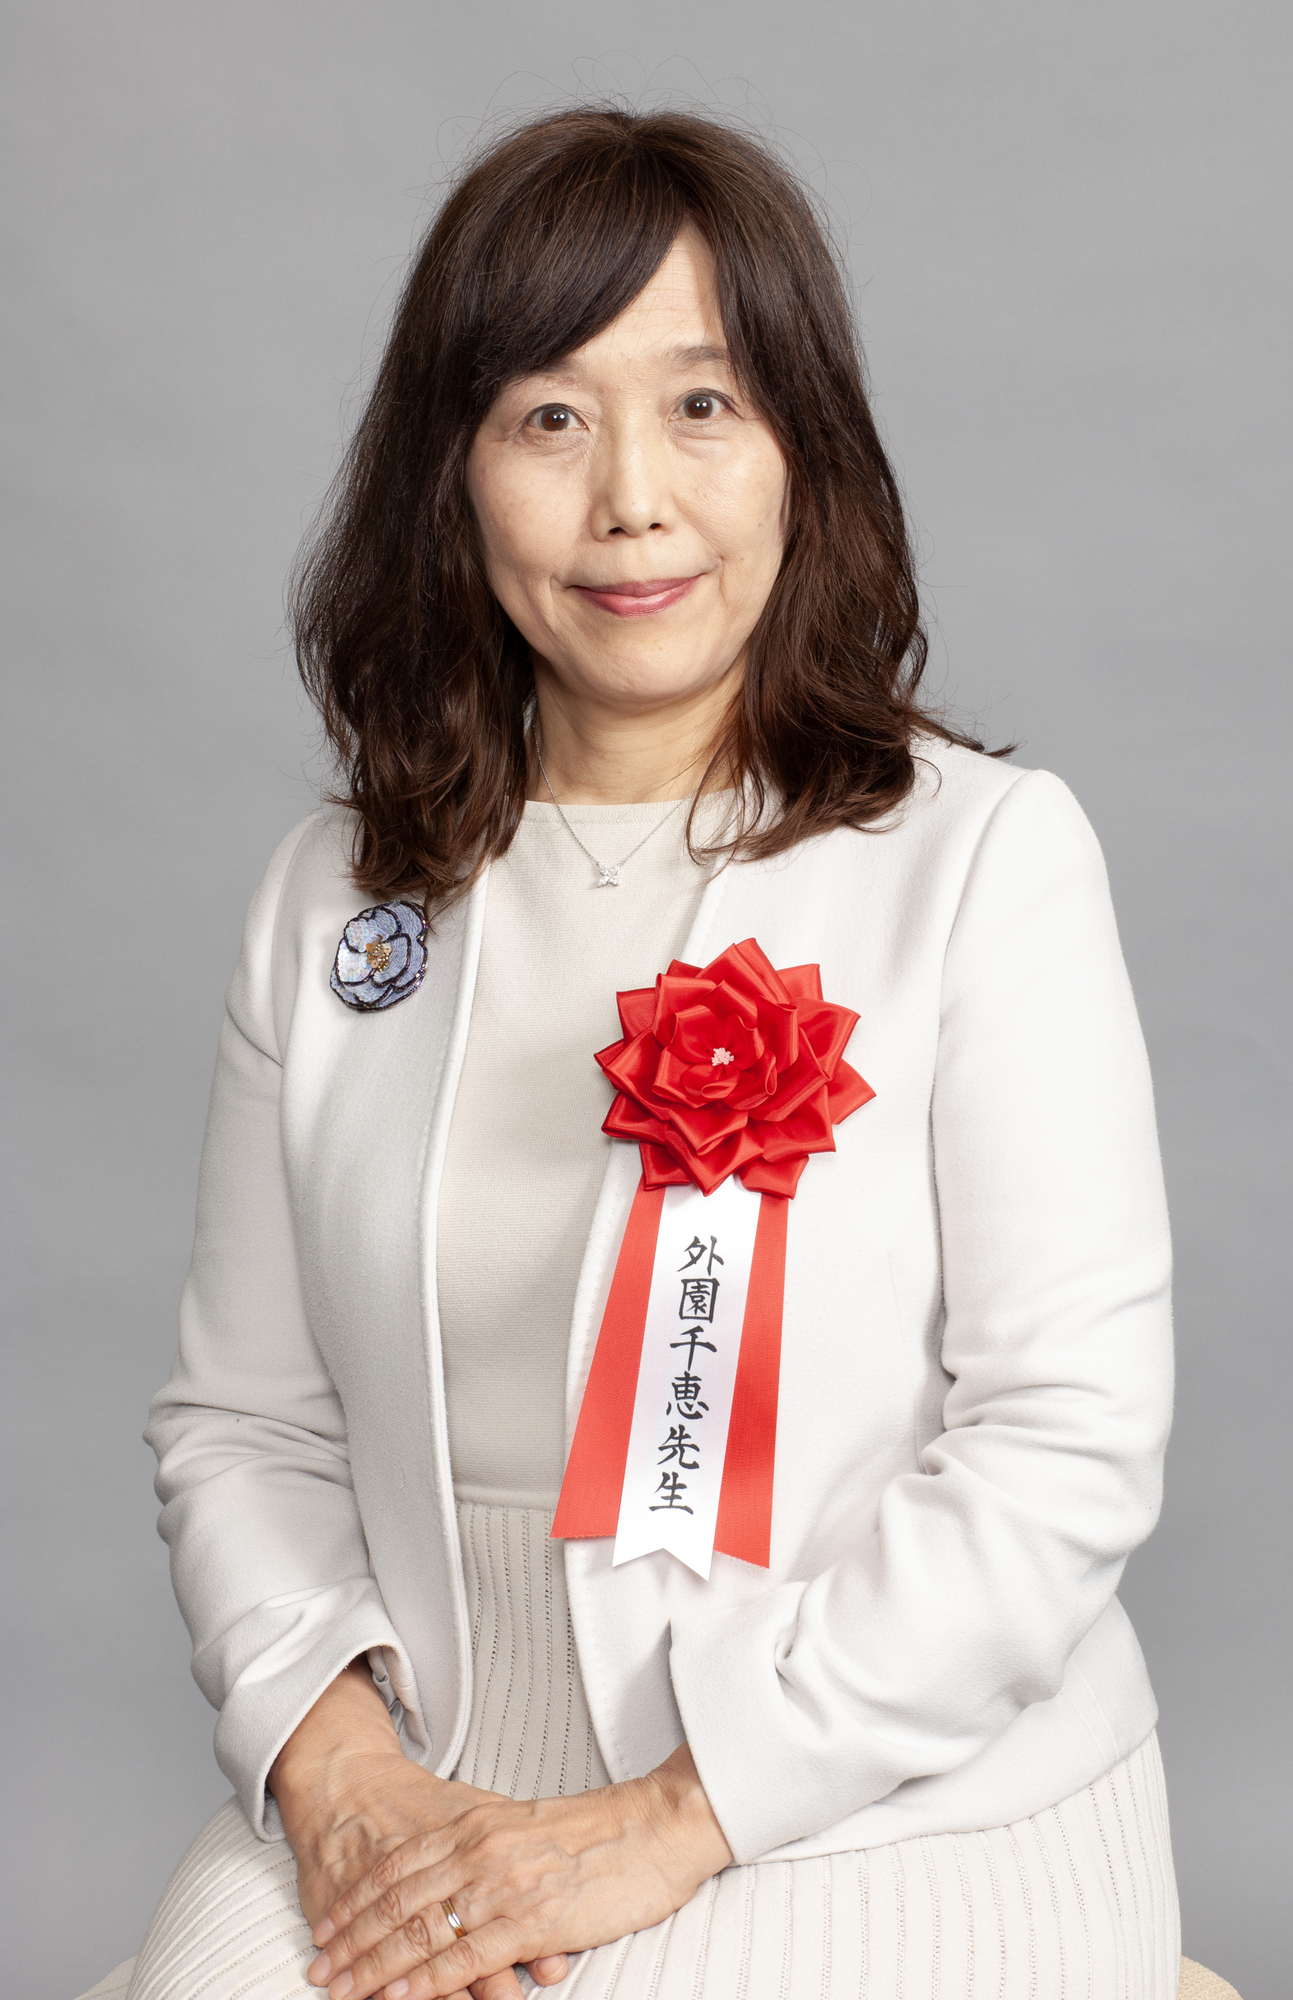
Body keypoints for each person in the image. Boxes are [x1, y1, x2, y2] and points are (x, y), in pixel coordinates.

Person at [88, 107, 1180, 2000]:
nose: (631, 502)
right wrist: (341, 1780)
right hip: (428, 1759)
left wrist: (671, 1818)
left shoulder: (980, 859)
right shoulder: (333, 895)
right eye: (547, 417)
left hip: (872, 1779)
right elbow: (245, 1425)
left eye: (701, 405)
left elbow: (1059, 1445)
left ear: (800, 450)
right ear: (450, 475)